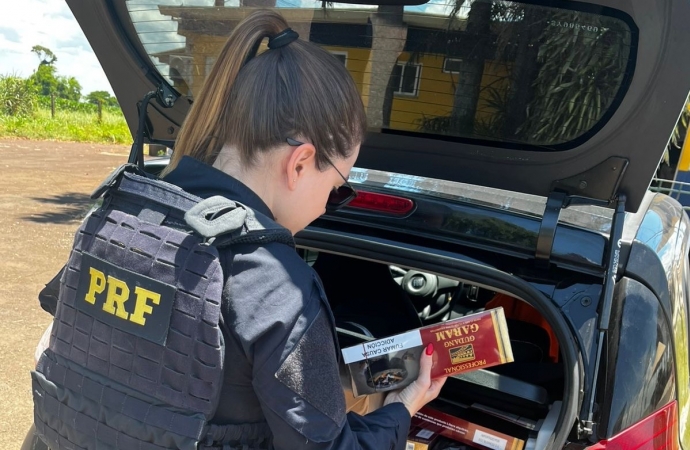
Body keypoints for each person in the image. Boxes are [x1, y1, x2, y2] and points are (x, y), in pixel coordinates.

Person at [158, 8, 447, 450]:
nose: (326, 208)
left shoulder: (129, 213)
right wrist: (403, 407)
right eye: (336, 188)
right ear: (300, 163)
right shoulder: (278, 290)